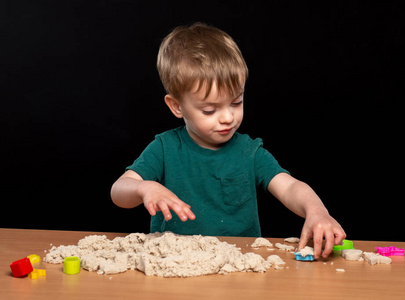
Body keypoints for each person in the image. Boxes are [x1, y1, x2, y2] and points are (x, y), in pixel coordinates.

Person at [111, 22, 345, 259]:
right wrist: (144, 188)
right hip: (176, 265)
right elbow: (118, 191)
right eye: (210, 110)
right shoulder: (164, 148)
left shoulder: (249, 152)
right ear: (176, 106)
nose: (228, 117)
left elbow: (290, 186)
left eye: (236, 102)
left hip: (237, 267)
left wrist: (317, 211)